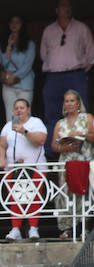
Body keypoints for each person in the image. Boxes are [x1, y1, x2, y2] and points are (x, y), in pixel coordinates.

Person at [40, 0, 94, 142]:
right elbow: (43, 54)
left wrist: (80, 71)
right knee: (52, 112)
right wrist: (55, 66)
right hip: (54, 76)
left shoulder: (81, 28)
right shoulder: (49, 30)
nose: (67, 9)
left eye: (69, 6)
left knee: (80, 111)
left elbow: (90, 54)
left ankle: (83, 147)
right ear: (57, 10)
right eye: (63, 6)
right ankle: (53, 149)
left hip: (76, 74)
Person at [0, 98, 48, 240]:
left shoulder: (36, 123)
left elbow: (41, 140)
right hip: (13, 169)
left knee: (34, 198)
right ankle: (15, 229)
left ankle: (33, 228)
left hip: (35, 167)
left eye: (22, 108)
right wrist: (1, 159)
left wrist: (24, 131)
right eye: (16, 108)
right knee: (15, 199)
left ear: (28, 109)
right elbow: (1, 145)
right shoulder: (9, 125)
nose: (19, 111)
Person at [52, 90, 94, 239]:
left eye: (72, 101)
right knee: (66, 194)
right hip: (66, 162)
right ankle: (68, 228)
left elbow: (93, 135)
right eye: (66, 101)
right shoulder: (60, 123)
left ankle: (86, 227)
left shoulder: (87, 117)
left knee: (85, 193)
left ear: (78, 103)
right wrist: (67, 145)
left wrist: (80, 135)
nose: (69, 104)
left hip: (84, 161)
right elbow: (54, 146)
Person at [0, 14, 36, 119]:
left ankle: (23, 135)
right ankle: (13, 135)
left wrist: (15, 77)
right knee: (11, 115)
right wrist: (9, 47)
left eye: (17, 22)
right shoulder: (3, 44)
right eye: (12, 22)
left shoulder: (29, 44)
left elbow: (28, 65)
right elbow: (3, 63)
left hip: (24, 83)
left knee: (24, 114)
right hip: (8, 84)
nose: (14, 25)